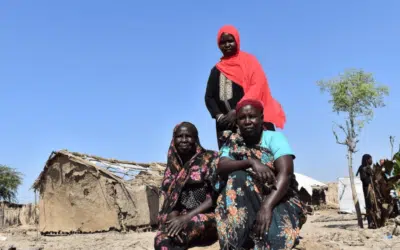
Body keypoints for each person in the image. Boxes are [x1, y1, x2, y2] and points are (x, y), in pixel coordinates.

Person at [212, 98, 305, 249]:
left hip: (277, 197)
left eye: (252, 116)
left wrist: (266, 207)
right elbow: (221, 166)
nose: (247, 121)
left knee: (275, 238)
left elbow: (286, 173)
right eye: (242, 118)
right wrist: (251, 162)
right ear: (237, 121)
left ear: (261, 118)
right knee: (238, 176)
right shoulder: (233, 142)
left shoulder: (274, 138)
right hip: (245, 200)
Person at [204, 25, 286, 148]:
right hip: (226, 125)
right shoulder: (216, 70)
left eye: (230, 41)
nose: (227, 45)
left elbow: (257, 86)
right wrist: (219, 116)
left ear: (237, 40)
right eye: (223, 42)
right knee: (230, 160)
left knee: (259, 155)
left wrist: (237, 111)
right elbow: (209, 97)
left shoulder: (249, 61)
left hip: (249, 120)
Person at [154, 122, 218, 250]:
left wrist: (186, 218)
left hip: (209, 215)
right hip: (182, 216)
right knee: (162, 239)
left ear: (195, 139)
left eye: (188, 136)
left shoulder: (210, 159)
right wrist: (173, 222)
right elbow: (172, 201)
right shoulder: (173, 167)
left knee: (184, 231)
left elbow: (215, 195)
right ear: (174, 139)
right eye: (180, 136)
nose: (184, 140)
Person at [356, 154, 374, 228]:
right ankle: (370, 223)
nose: (371, 160)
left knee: (373, 205)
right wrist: (370, 181)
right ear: (367, 160)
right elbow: (364, 180)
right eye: (370, 159)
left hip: (372, 188)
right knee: (369, 205)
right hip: (367, 189)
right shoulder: (362, 168)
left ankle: (374, 221)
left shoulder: (369, 167)